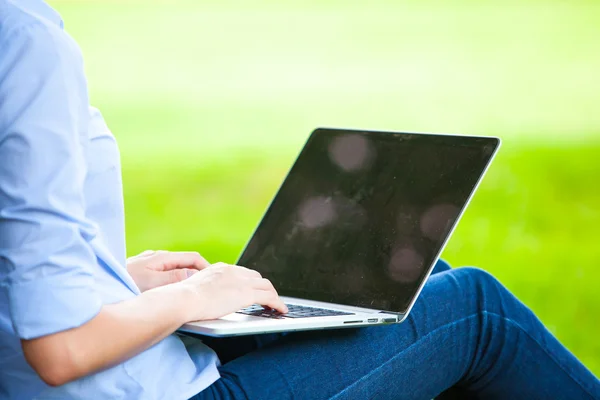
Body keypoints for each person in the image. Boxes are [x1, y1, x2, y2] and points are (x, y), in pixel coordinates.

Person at [0, 1, 598, 399]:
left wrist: (110, 281)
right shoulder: (26, 43)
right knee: (473, 308)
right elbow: (60, 348)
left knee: (395, 288)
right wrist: (192, 297)